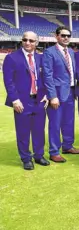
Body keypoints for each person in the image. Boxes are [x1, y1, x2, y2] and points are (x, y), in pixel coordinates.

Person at [3, 31, 49, 170]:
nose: (28, 43)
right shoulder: (12, 58)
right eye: (25, 40)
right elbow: (8, 81)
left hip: (39, 100)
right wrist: (15, 100)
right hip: (22, 101)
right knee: (23, 131)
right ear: (22, 41)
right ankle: (26, 158)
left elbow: (46, 78)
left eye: (31, 40)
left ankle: (39, 155)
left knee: (39, 130)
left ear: (37, 43)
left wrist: (47, 95)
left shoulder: (41, 58)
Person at [43, 26, 79, 163]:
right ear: (57, 36)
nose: (66, 38)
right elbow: (47, 75)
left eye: (68, 36)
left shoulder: (71, 51)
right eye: (63, 35)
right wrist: (52, 96)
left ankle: (67, 146)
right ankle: (54, 151)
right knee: (55, 123)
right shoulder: (49, 52)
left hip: (71, 91)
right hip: (57, 94)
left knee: (69, 121)